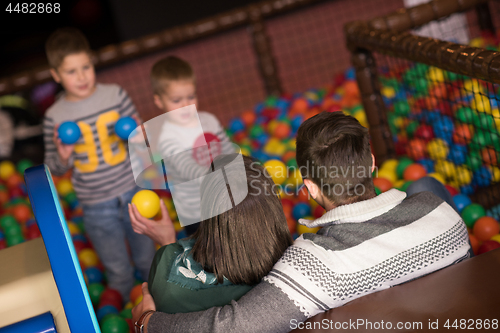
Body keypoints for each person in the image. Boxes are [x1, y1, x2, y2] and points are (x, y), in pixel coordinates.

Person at [132, 111, 472, 332]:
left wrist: (148, 322)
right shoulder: (442, 213)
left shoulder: (312, 263)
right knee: (423, 182)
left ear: (308, 187)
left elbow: (230, 325)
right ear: (370, 163)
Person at [43, 27, 155, 302]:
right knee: (116, 269)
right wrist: (64, 154)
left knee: (149, 259)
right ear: (56, 75)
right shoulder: (54, 116)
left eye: (86, 67)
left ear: (93, 63)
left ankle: (157, 298)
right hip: (95, 204)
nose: (81, 76)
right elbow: (53, 169)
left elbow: (142, 140)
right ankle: (127, 307)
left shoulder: (115, 95)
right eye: (71, 71)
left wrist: (136, 135)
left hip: (132, 191)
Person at [129, 154, 293, 314]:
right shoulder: (295, 270)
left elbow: (170, 287)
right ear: (274, 212)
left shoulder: (165, 266)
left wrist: (168, 244)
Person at [147, 56, 233, 235]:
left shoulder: (209, 120)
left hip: (226, 198)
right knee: (208, 254)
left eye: (191, 97)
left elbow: (227, 149)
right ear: (159, 101)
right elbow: (187, 168)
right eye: (176, 101)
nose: (185, 106)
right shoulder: (168, 137)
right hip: (197, 213)